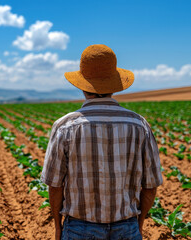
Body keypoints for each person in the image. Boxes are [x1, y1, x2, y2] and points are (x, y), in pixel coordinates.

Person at [41, 44, 163, 240]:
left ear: (82, 85)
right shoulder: (139, 124)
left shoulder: (65, 126)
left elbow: (55, 186)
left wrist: (57, 226)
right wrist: (138, 225)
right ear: (114, 84)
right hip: (127, 227)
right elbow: (150, 185)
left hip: (79, 228)